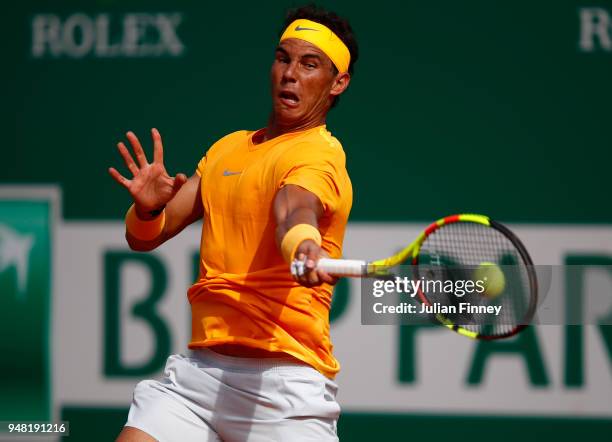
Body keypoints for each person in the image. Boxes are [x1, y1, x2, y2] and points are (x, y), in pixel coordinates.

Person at [109, 4, 358, 441]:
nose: (290, 74)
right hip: (198, 378)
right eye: (284, 58)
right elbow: (145, 237)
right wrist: (149, 210)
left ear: (338, 83)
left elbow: (294, 208)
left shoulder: (319, 155)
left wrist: (302, 244)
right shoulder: (227, 149)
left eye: (310, 64)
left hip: (284, 389)